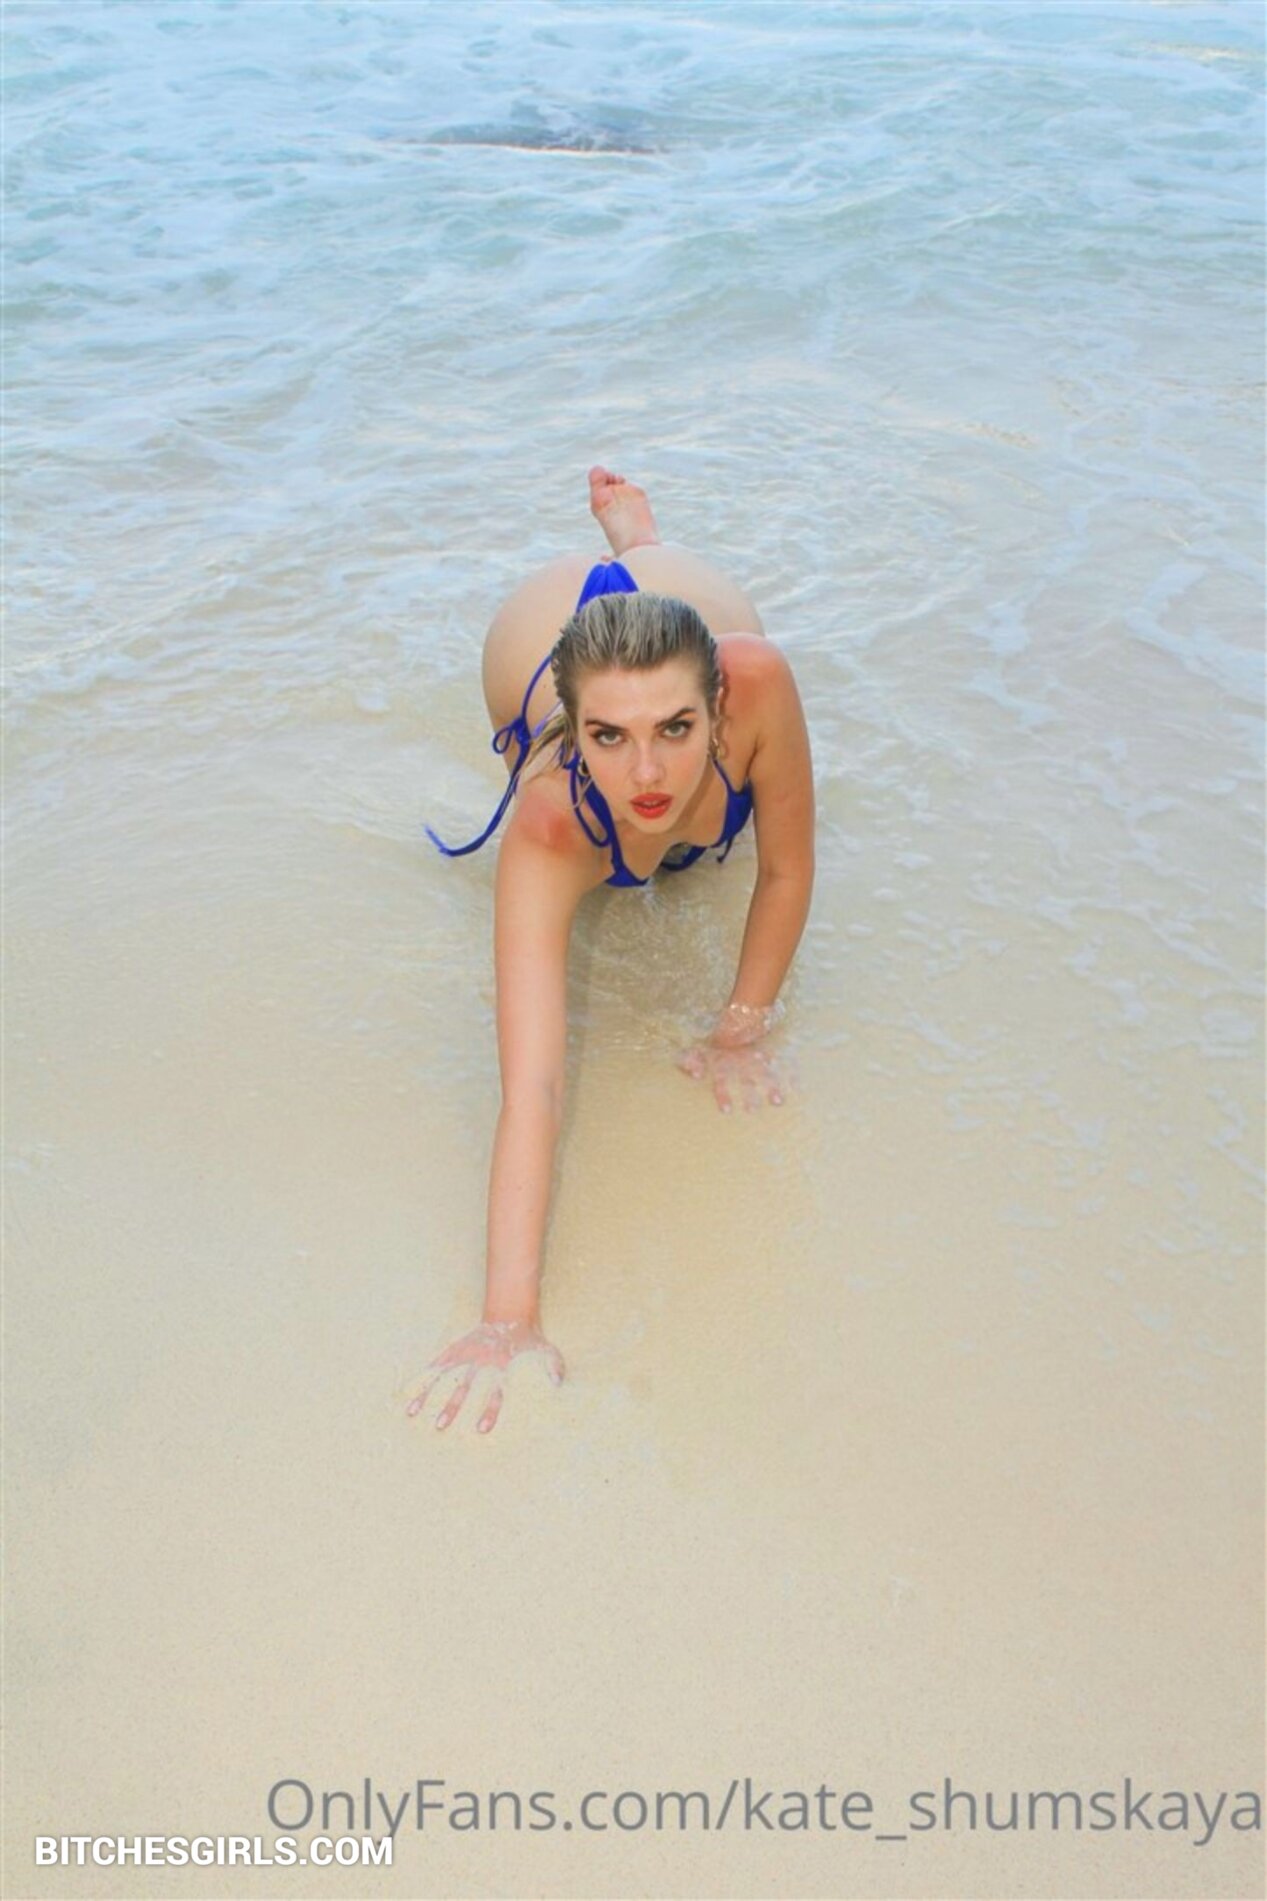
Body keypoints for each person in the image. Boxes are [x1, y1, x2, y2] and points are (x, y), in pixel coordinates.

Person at [406, 468, 815, 1433]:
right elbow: (532, 1089)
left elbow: (786, 869)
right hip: (534, 638)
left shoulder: (755, 684)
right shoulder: (550, 824)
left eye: (677, 729)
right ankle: (614, 594)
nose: (647, 771)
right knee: (638, 834)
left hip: (685, 613)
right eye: (610, 737)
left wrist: (740, 1027)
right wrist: (507, 1318)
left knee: (675, 593)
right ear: (575, 730)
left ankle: (640, 539)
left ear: (718, 706)